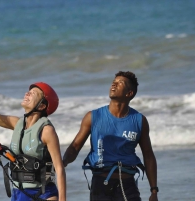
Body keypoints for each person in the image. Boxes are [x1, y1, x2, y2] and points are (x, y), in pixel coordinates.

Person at [0, 74, 66, 201]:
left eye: (33, 93)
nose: (27, 94)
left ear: (42, 106)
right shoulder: (16, 123)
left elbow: (59, 168)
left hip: (43, 193)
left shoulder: (47, 131)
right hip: (18, 193)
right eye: (28, 91)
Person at [63, 71, 158, 201]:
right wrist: (62, 163)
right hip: (100, 184)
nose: (114, 84)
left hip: (127, 185)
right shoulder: (93, 117)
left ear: (129, 93)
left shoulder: (139, 121)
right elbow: (75, 147)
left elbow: (148, 155)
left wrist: (154, 190)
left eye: (120, 83)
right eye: (114, 81)